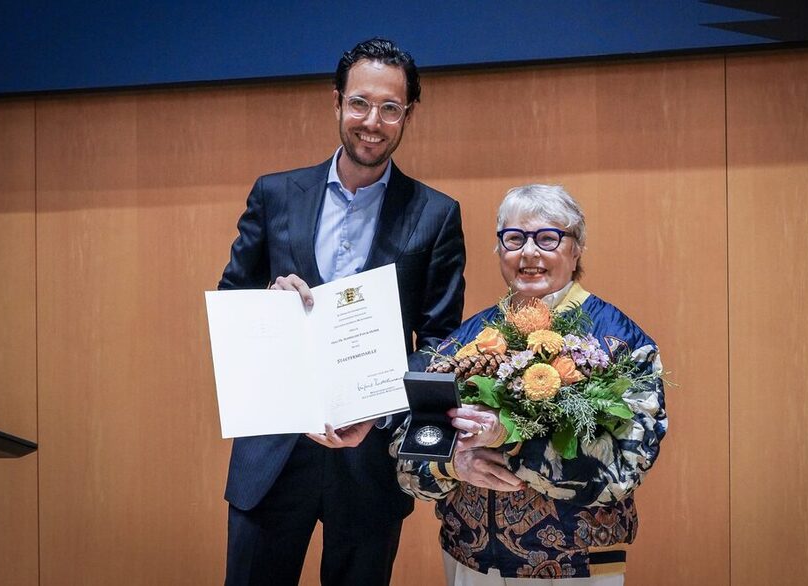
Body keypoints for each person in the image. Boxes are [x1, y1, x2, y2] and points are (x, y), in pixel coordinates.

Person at [218, 38, 466, 586]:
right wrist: (268, 305)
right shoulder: (276, 194)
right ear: (336, 102)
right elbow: (231, 302)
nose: (371, 122)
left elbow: (444, 345)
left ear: (408, 115)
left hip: (370, 459)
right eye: (359, 103)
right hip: (273, 454)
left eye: (389, 108)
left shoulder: (436, 215)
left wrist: (379, 415)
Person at [394, 184, 667, 585]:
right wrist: (455, 463)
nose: (529, 252)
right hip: (469, 561)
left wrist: (513, 444)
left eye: (548, 237)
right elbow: (406, 454)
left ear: (576, 250)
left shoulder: (620, 342)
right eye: (514, 238)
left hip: (576, 565)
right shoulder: (465, 340)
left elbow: (626, 466)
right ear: (499, 250)